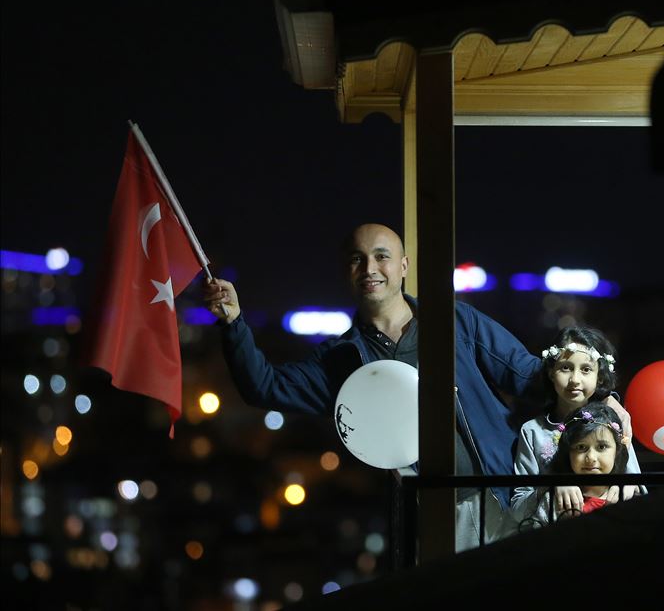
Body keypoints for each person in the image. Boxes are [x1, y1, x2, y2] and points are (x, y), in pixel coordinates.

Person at [203, 223, 634, 551]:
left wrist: (600, 398)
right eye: (357, 259)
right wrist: (233, 324)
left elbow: (530, 374)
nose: (370, 268)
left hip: (502, 495)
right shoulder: (341, 358)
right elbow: (264, 387)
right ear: (346, 272)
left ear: (404, 266)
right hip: (425, 510)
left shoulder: (455, 321)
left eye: (381, 256)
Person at [510, 326, 644, 528]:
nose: (575, 379)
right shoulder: (533, 431)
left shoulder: (612, 423)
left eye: (586, 369)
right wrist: (554, 484)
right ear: (550, 372)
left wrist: (626, 485)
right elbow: (518, 509)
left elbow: (639, 489)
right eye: (565, 367)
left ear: (599, 376)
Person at [546, 402, 630, 518]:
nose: (591, 457)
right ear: (568, 452)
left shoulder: (628, 497)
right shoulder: (555, 497)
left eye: (601, 447)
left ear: (617, 450)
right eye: (581, 447)